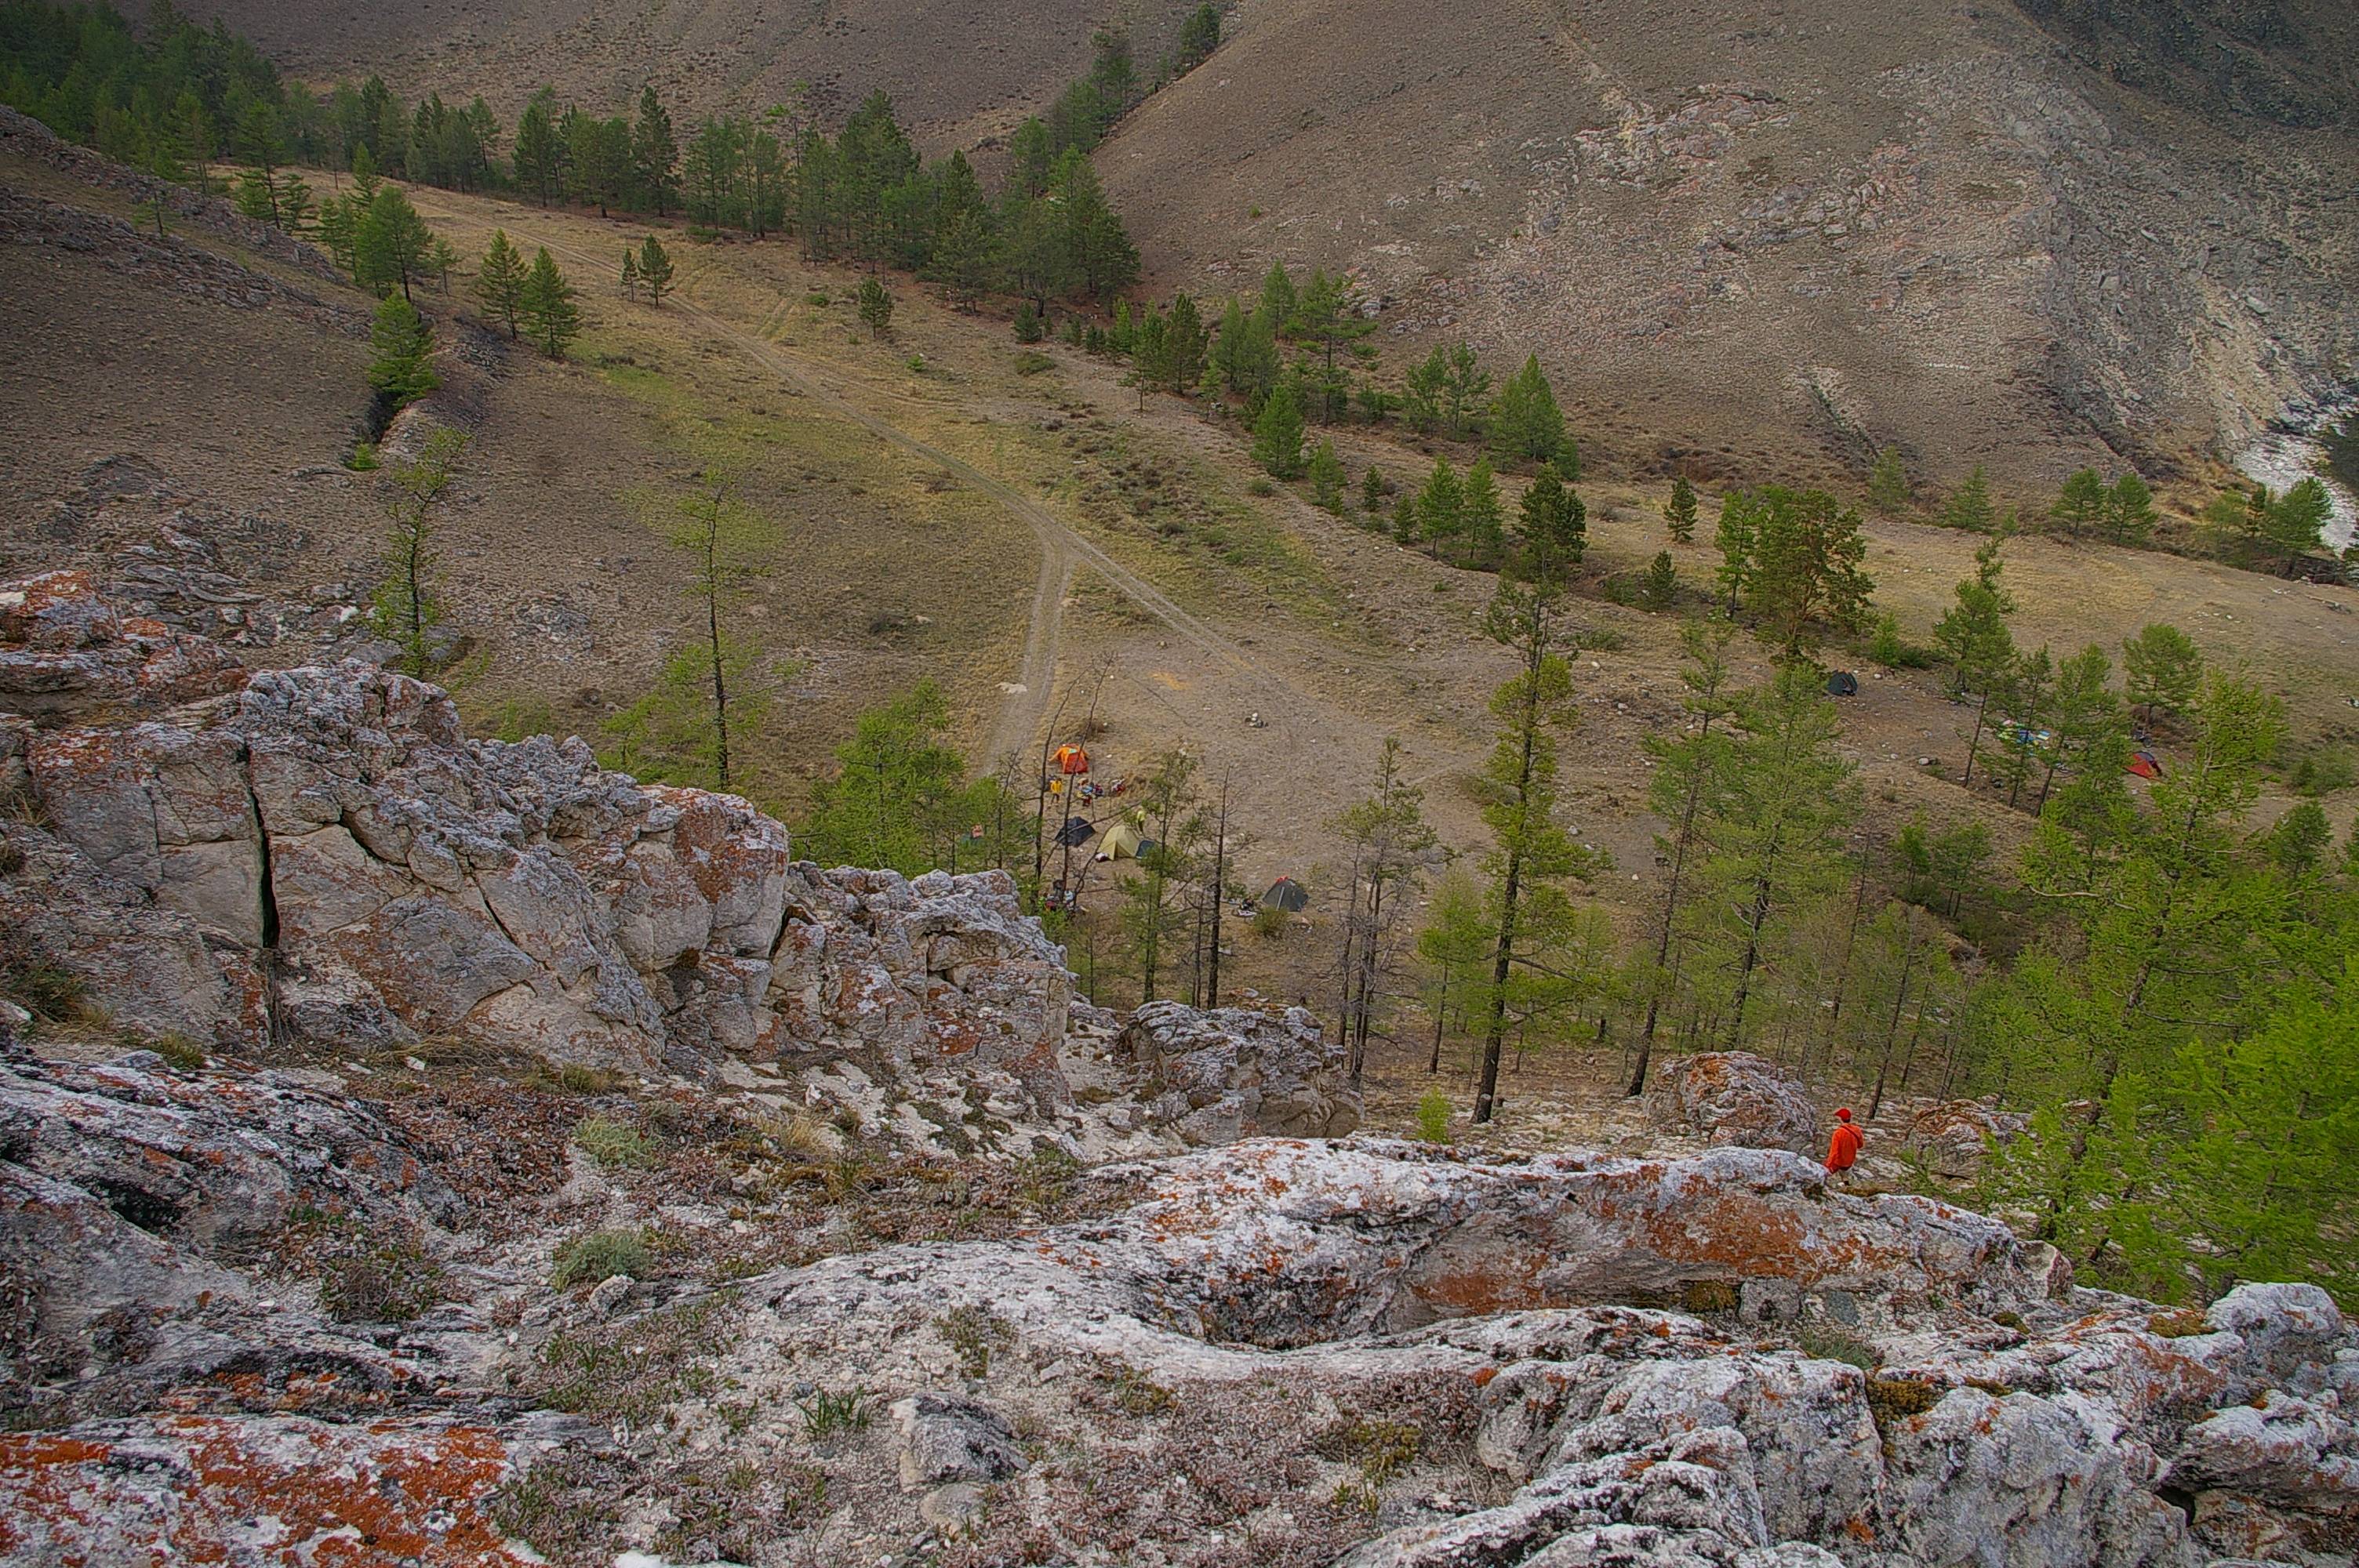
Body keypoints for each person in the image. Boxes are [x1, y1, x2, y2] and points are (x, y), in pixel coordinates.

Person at [1824, 1106, 1863, 1186]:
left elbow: (1834, 1152)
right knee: (1844, 1174)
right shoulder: (1857, 1130)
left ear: (1840, 1119)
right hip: (1849, 1161)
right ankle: (1847, 1186)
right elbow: (1860, 1145)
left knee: (1824, 1174)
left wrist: (1828, 1165)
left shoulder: (1838, 1133)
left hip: (1839, 1162)